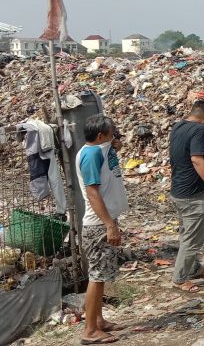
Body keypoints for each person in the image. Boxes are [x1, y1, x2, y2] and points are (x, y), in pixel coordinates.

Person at [76, 114, 129, 345]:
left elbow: (110, 168)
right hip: (98, 225)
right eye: (112, 132)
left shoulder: (101, 149)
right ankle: (89, 331)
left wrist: (116, 146)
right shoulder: (90, 155)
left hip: (105, 221)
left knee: (102, 274)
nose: (115, 134)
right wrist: (109, 224)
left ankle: (99, 320)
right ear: (100, 135)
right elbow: (92, 193)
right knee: (97, 276)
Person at [169, 99, 204, 293]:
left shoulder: (178, 126)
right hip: (191, 193)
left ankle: (193, 269)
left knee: (186, 233)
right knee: (192, 239)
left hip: (178, 190)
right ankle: (180, 278)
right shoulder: (200, 129)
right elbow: (197, 159)